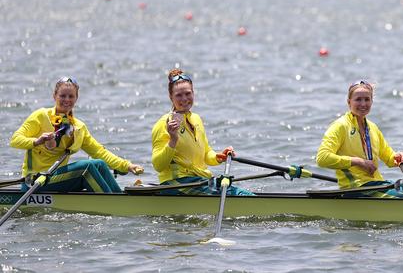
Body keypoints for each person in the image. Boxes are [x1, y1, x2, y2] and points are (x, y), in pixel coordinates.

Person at [10, 77, 143, 193]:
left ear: (76, 98)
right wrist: (37, 141)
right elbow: (15, 140)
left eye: (71, 96)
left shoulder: (78, 127)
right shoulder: (40, 116)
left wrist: (127, 166)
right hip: (35, 181)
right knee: (88, 167)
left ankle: (118, 197)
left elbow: (100, 152)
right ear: (54, 96)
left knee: (99, 163)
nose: (66, 100)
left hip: (57, 177)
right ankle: (115, 205)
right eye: (62, 96)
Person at [316, 80, 403, 199]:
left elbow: (389, 158)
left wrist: (399, 156)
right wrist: (358, 161)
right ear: (349, 102)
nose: (363, 104)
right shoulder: (340, 126)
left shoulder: (372, 128)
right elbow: (322, 158)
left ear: (372, 102)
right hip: (356, 188)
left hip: (375, 185)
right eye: (358, 99)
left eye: (367, 99)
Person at [151, 69, 253, 196]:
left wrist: (219, 157)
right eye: (178, 95)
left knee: (241, 193)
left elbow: (206, 154)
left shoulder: (196, 119)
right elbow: (158, 165)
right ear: (170, 97)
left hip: (198, 180)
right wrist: (173, 140)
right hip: (176, 183)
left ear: (193, 93)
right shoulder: (163, 124)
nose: (184, 99)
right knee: (240, 196)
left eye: (188, 93)